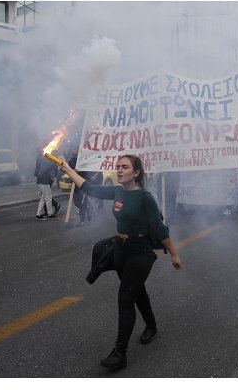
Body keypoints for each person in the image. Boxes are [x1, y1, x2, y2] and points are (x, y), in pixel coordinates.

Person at [59, 154, 182, 371]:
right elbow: (87, 187)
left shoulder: (145, 198)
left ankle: (120, 352)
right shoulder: (116, 191)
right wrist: (67, 168)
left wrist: (173, 254)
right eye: (117, 167)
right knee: (136, 291)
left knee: (125, 297)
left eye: (124, 167)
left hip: (140, 252)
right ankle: (151, 326)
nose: (119, 170)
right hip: (120, 250)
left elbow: (159, 229)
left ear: (136, 173)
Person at [34, 152, 59, 221]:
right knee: (48, 197)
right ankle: (50, 214)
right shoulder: (43, 161)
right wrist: (53, 160)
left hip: (41, 181)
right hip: (44, 181)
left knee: (43, 198)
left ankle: (38, 214)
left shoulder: (40, 159)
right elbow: (50, 166)